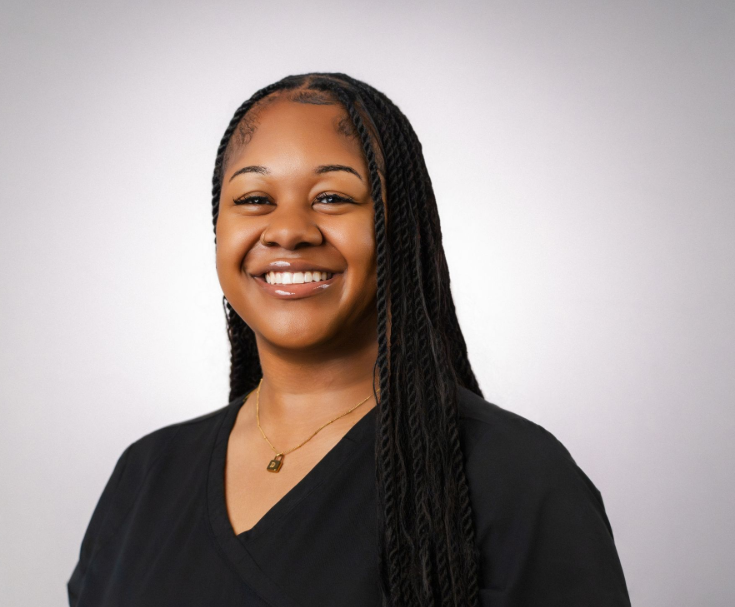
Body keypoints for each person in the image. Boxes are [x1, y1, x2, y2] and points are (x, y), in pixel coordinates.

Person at [67, 72, 631, 607]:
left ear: (397, 226)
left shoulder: (517, 479)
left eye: (332, 197)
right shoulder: (145, 478)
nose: (288, 230)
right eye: (254, 199)